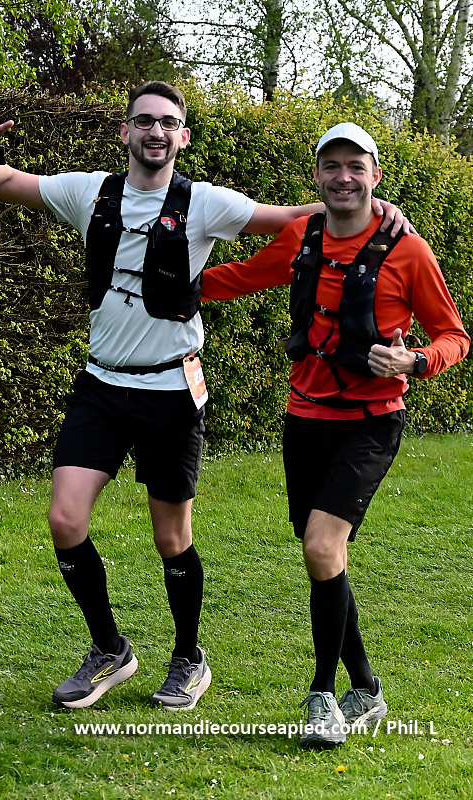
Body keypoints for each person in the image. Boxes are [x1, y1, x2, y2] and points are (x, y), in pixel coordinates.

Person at [0, 88, 407, 713]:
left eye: (169, 123)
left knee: (172, 537)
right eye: (144, 121)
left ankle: (189, 658)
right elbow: (3, 181)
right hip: (102, 385)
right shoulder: (91, 192)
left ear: (183, 137)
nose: (156, 131)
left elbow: (290, 218)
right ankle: (109, 649)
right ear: (125, 132)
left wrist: (375, 210)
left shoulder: (205, 202)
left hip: (170, 389)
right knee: (65, 520)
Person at [202, 122, 470, 745]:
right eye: (331, 166)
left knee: (323, 548)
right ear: (317, 175)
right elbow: (243, 276)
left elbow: (455, 336)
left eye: (356, 166)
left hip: (371, 422)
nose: (343, 177)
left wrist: (414, 361)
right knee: (324, 556)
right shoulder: (303, 235)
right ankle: (367, 689)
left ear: (375, 174)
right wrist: (165, 288)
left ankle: (323, 697)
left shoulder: (409, 251)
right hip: (305, 418)